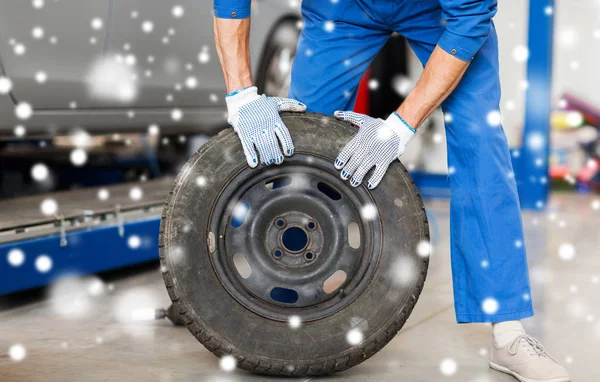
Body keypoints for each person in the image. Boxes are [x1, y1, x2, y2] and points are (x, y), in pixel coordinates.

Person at [212, 1, 570, 381]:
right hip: (341, 8)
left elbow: (469, 19)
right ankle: (261, 297)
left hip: (437, 10)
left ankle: (508, 332)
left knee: (478, 134)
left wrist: (401, 126)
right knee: (303, 138)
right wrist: (240, 95)